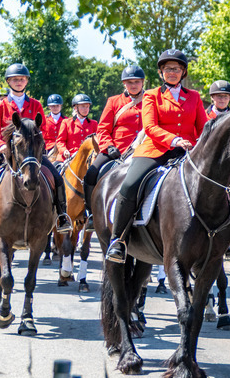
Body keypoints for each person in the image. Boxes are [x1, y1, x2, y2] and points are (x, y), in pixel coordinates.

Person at [104, 49, 207, 263]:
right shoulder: (151, 95)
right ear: (161, 72)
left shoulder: (195, 97)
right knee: (130, 184)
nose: (172, 72)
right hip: (156, 149)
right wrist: (174, 140)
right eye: (168, 69)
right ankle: (118, 240)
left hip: (188, 151)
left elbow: (203, 128)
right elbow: (150, 127)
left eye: (176, 69)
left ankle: (226, 236)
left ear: (183, 72)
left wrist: (199, 147)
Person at [0, 64, 72, 233]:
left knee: (57, 178)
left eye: (22, 79)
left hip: (31, 155)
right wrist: (0, 146)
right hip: (6, 152)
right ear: (9, 81)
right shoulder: (1, 106)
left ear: (27, 81)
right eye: (15, 79)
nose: (19, 82)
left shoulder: (35, 105)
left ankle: (62, 216)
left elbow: (44, 130)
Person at [84, 65, 147, 207]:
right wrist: (109, 146)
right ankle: (91, 212)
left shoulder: (151, 99)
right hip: (117, 149)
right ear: (124, 84)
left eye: (137, 81)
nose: (134, 85)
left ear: (143, 82)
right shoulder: (114, 101)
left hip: (144, 148)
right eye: (130, 82)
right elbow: (102, 129)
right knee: (91, 174)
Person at [55, 94, 98, 160]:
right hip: (69, 156)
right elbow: (60, 141)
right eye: (83, 106)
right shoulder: (66, 122)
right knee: (54, 168)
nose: (86, 109)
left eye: (87, 106)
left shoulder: (94, 123)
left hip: (88, 158)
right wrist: (64, 151)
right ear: (75, 108)